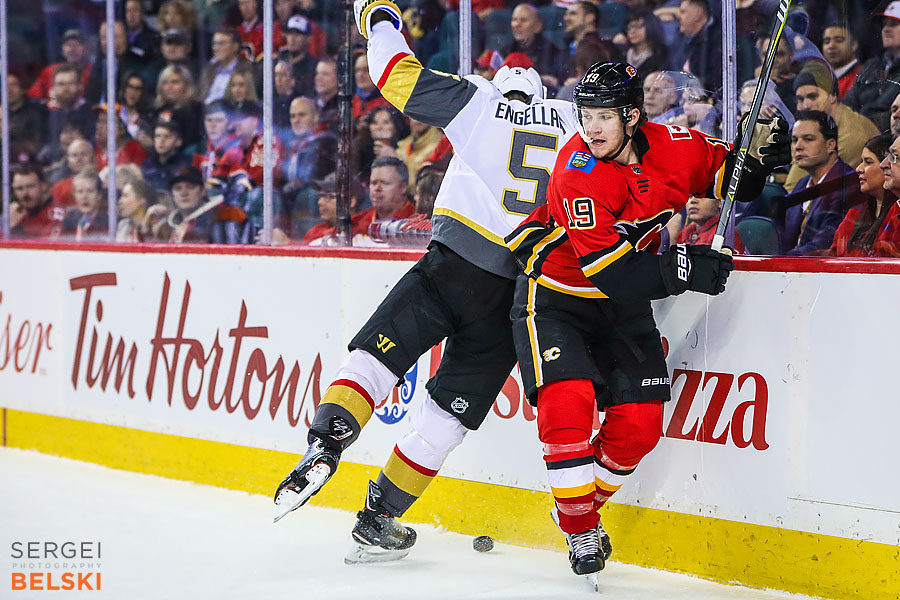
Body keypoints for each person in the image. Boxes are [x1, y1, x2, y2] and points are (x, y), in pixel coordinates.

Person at [273, 0, 575, 565]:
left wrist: (379, 17)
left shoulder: (479, 99)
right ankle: (380, 516)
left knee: (376, 358)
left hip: (451, 266)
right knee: (446, 417)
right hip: (516, 295)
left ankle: (326, 443)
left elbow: (395, 76)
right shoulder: (576, 120)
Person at [503, 61, 788, 579]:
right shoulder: (577, 173)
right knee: (568, 404)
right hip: (557, 297)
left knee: (638, 428)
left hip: (621, 306)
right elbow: (615, 275)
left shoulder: (676, 145)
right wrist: (686, 268)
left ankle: (577, 510)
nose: (591, 128)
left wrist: (758, 160)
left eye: (604, 116)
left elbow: (732, 178)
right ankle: (581, 528)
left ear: (633, 116)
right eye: (586, 115)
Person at [783, 63, 879, 193]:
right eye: (800, 99)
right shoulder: (817, 126)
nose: (805, 105)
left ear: (833, 96)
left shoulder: (850, 134)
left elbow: (791, 189)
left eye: (812, 96)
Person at [783, 110, 854, 256]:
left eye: (808, 139)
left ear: (830, 145)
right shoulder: (802, 184)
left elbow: (822, 245)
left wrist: (780, 260)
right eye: (795, 140)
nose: (798, 147)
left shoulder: (847, 186)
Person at [828, 134, 897, 257]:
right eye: (861, 162)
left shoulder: (896, 216)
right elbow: (832, 258)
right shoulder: (852, 218)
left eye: (868, 162)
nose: (858, 169)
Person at [845, 3, 900, 133]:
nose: (885, 29)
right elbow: (849, 101)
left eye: (893, 24)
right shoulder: (872, 64)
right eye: (884, 24)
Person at [9, 163, 68, 239]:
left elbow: (47, 244)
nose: (25, 193)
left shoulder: (57, 213)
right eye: (19, 188)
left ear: (44, 186)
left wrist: (15, 228)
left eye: (30, 186)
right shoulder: (16, 213)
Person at [675, 195, 746, 254]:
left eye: (701, 196)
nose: (692, 201)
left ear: (719, 202)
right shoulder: (684, 233)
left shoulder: (725, 233)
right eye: (690, 196)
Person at [60, 169, 109, 241]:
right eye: (80, 191)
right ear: (74, 195)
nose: (84, 196)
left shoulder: (108, 221)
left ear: (99, 195)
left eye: (90, 191)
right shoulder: (69, 218)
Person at [821, 24, 861, 100]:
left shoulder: (862, 76)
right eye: (827, 41)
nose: (831, 46)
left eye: (839, 40)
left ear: (853, 45)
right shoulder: (819, 78)